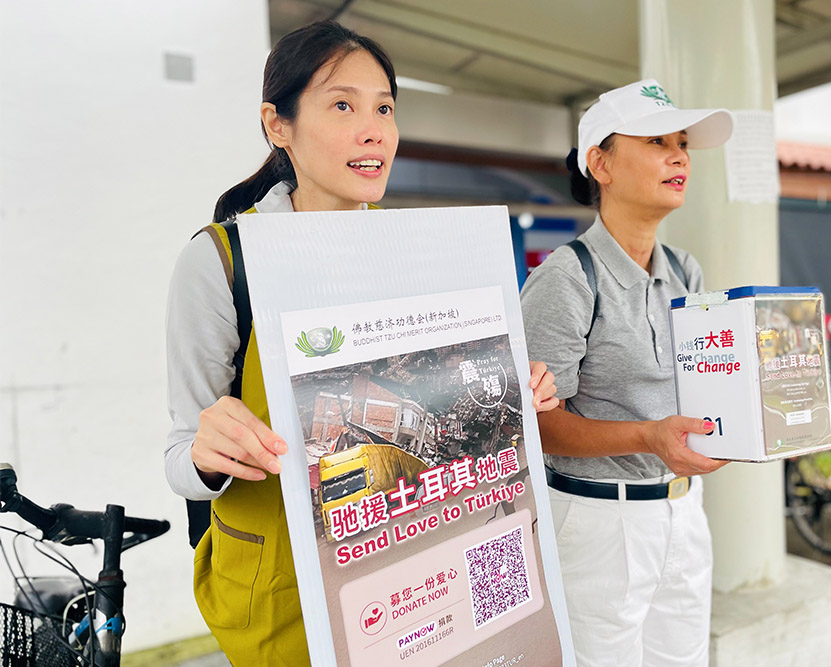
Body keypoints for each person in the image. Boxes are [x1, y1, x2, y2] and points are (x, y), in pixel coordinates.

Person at [165, 21, 557, 666]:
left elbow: (442, 403)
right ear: (278, 125)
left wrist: (513, 388)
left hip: (412, 574)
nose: (373, 130)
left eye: (384, 109)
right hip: (285, 591)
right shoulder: (222, 261)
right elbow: (181, 456)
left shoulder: (418, 257)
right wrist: (211, 455)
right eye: (343, 106)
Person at [519, 79, 734, 667]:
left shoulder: (685, 271)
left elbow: (709, 382)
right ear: (601, 164)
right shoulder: (566, 278)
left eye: (683, 143)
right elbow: (539, 425)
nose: (679, 156)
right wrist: (648, 436)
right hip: (599, 523)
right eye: (657, 141)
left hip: (684, 511)